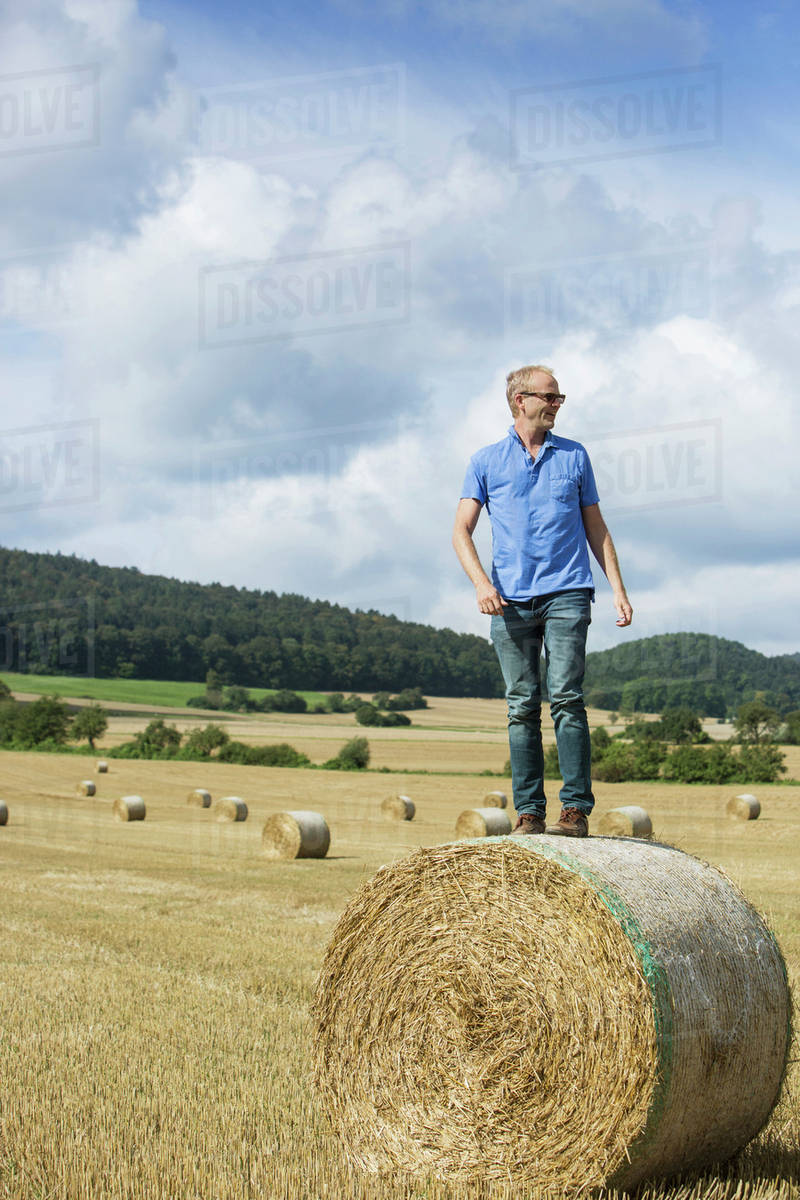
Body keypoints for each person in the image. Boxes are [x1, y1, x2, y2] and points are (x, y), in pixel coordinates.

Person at [452, 364, 632, 837]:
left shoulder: (575, 456)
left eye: (559, 399)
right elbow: (460, 532)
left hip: (568, 591)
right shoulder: (485, 461)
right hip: (508, 600)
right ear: (520, 400)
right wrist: (480, 585)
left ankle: (575, 809)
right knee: (521, 706)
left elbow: (597, 528)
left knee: (567, 698)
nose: (556, 405)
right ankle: (529, 812)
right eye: (550, 397)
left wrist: (617, 588)